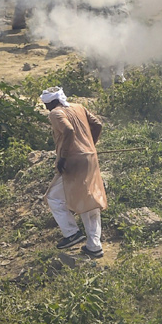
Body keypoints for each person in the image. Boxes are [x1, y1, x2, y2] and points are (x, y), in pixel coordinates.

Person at [42, 86, 107, 259]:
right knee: (89, 200)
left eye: (46, 104)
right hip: (90, 158)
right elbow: (98, 124)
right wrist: (90, 145)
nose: (46, 108)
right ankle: (94, 245)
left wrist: (63, 157)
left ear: (52, 102)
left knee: (53, 198)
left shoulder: (55, 113)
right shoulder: (78, 107)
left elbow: (69, 130)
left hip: (73, 161)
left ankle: (71, 233)